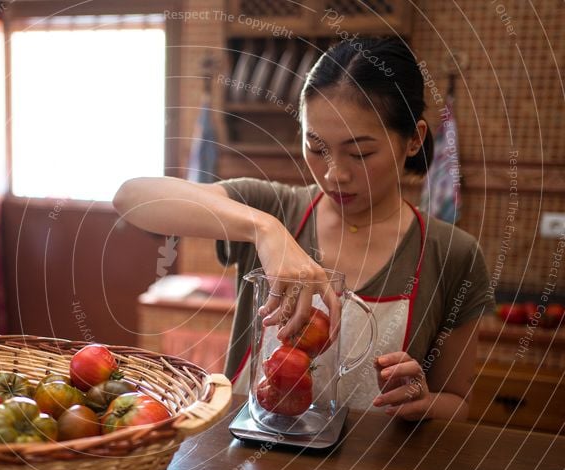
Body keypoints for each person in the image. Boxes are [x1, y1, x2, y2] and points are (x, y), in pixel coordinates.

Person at [114, 37, 493, 422]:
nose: (335, 174)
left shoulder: (453, 255)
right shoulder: (274, 209)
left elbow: (458, 404)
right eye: (316, 147)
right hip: (244, 467)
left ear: (414, 139)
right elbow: (131, 198)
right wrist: (265, 230)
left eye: (361, 153)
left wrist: (422, 403)